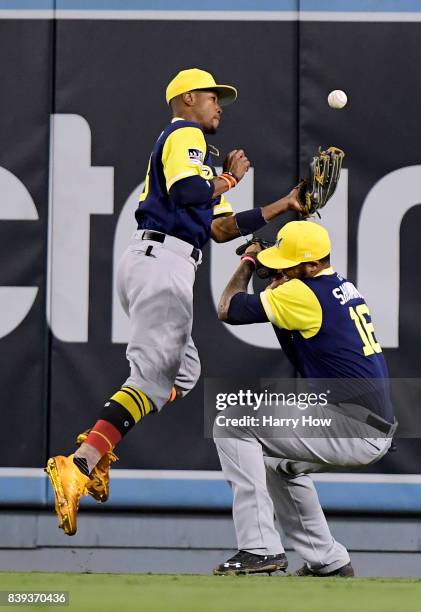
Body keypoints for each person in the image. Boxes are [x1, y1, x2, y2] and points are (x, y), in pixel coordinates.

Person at [45, 68, 304, 536]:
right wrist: (229, 177)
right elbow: (189, 193)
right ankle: (80, 462)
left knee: (182, 374)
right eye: (212, 96)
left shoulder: (201, 157)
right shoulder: (186, 134)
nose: (219, 104)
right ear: (187, 99)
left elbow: (220, 229)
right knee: (150, 378)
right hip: (162, 262)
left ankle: (96, 449)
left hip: (160, 260)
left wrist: (282, 205)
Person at [213, 220, 397, 576]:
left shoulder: (303, 293)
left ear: (313, 266)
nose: (279, 271)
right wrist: (278, 275)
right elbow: (299, 343)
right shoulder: (337, 285)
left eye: (288, 265)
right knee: (275, 467)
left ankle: (259, 548)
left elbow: (227, 308)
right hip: (366, 424)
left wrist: (249, 262)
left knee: (233, 421)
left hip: (353, 425)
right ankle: (327, 560)